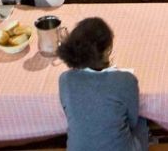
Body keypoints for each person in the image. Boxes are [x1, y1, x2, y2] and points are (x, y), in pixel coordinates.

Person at [58, 17, 150, 151]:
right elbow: (132, 121)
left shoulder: (65, 79)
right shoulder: (126, 80)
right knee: (142, 123)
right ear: (107, 51)